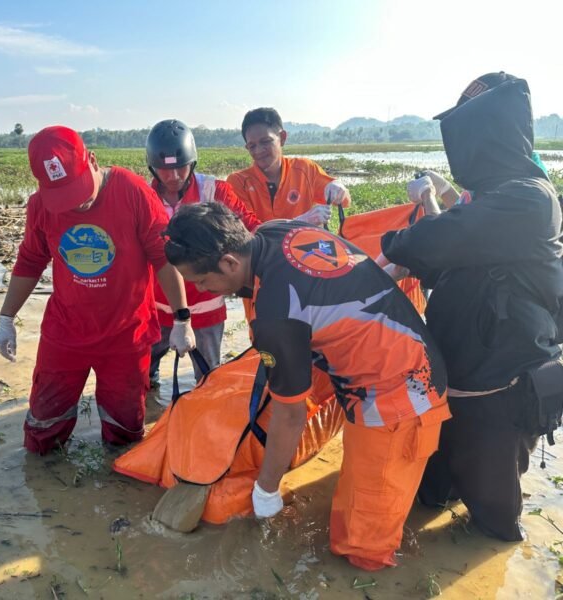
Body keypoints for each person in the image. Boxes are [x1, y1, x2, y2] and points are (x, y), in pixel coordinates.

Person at [163, 201, 449, 570]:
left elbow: (290, 415)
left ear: (230, 263)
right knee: (352, 507)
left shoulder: (277, 314)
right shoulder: (276, 231)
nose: (202, 289)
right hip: (397, 358)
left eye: (202, 281)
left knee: (361, 548)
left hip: (400, 394)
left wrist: (266, 489)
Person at [378, 73, 563, 542]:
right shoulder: (490, 203)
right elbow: (447, 260)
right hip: (452, 386)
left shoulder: (529, 199)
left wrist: (390, 246)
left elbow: (444, 239)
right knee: (430, 494)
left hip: (500, 394)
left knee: (493, 520)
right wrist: (432, 200)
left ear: (490, 135)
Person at [0, 126, 196, 454]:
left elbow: (163, 258)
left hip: (125, 336)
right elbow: (30, 261)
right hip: (66, 333)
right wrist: (6, 318)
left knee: (125, 433)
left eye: (80, 190)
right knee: (44, 429)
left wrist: (182, 318)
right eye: (64, 197)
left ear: (92, 160)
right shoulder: (41, 206)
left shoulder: (131, 191)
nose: (78, 204)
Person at [145, 119, 261, 390]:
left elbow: (250, 228)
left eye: (180, 168)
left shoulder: (214, 191)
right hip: (156, 309)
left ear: (192, 162)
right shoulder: (143, 196)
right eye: (165, 170)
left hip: (206, 308)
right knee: (143, 380)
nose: (173, 177)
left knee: (208, 381)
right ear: (152, 167)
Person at [227, 107, 351, 225]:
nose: (258, 151)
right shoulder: (238, 182)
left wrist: (339, 188)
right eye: (252, 146)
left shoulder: (305, 169)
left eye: (265, 142)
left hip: (305, 245)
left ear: (282, 138)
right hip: (261, 247)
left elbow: (344, 201)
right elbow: (247, 233)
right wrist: (300, 222)